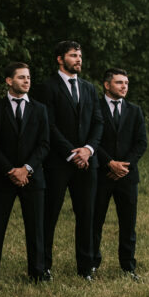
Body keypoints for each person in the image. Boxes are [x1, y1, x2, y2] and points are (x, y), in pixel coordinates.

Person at [33, 40, 103, 280]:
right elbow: (48, 125)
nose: (78, 59)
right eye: (73, 55)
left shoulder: (90, 88)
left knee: (87, 214)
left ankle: (86, 268)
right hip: (58, 162)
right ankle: (44, 267)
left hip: (87, 161)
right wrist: (72, 153)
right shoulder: (46, 88)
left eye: (80, 56)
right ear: (60, 59)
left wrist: (88, 149)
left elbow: (98, 122)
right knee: (49, 215)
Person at [0, 63, 49, 282]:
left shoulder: (40, 109)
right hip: (3, 177)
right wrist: (10, 170)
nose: (26, 81)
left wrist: (26, 169)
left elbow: (44, 144)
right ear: (8, 80)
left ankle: (38, 273)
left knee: (36, 228)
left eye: (28, 78)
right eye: (22, 77)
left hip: (33, 177)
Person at [93, 67, 148, 280]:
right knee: (95, 221)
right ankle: (92, 263)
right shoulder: (95, 108)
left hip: (127, 176)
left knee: (128, 224)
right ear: (107, 85)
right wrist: (109, 163)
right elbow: (92, 140)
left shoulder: (134, 110)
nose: (124, 86)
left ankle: (128, 266)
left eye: (126, 83)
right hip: (102, 174)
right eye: (119, 82)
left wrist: (124, 165)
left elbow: (141, 142)